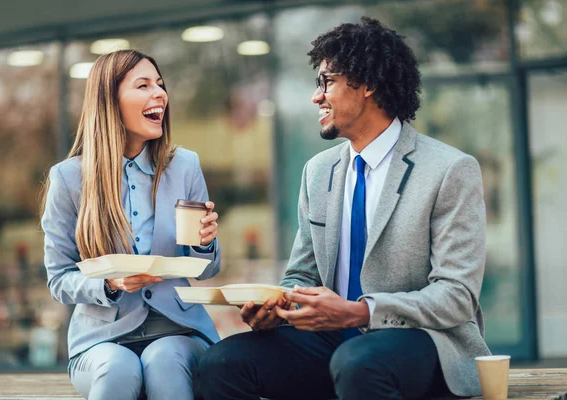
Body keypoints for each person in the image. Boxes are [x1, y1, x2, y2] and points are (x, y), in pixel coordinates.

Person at [198, 17, 491, 400]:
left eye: (327, 82)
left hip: (424, 342)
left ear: (368, 84)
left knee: (359, 362)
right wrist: (276, 307)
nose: (316, 96)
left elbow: (457, 296)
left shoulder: (449, 169)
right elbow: (301, 275)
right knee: (219, 364)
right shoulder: (318, 172)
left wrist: (361, 312)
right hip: (333, 343)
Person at [41, 50, 221, 400]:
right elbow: (59, 279)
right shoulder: (68, 178)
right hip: (100, 340)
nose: (160, 93)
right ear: (110, 101)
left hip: (180, 330)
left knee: (165, 360)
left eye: (160, 84)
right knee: (118, 366)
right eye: (143, 85)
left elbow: (209, 268)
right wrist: (110, 285)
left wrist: (204, 244)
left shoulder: (184, 165)